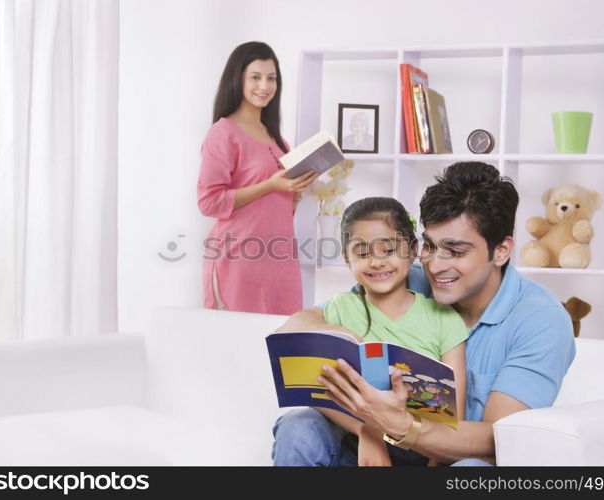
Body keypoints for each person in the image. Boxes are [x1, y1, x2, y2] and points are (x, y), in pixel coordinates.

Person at [272, 162, 576, 466]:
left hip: (454, 459)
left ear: (501, 251)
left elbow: (498, 441)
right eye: (430, 247)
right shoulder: (406, 279)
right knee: (299, 425)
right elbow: (296, 327)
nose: (436, 265)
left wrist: (396, 424)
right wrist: (340, 336)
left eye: (456, 251)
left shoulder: (542, 321)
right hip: (373, 450)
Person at [313, 197, 468, 466]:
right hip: (358, 442)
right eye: (362, 253)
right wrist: (366, 431)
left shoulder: (444, 318)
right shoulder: (338, 310)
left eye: (388, 250)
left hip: (421, 444)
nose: (376, 262)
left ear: (412, 250)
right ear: (347, 260)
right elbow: (317, 392)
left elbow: (455, 417)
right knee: (296, 424)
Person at [197, 42, 317, 315]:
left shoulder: (277, 138)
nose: (265, 85)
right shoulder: (223, 132)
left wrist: (295, 190)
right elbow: (209, 202)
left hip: (280, 258)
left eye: (271, 78)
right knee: (240, 343)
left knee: (279, 344)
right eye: (255, 77)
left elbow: (279, 207)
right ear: (237, 79)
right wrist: (270, 185)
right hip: (240, 258)